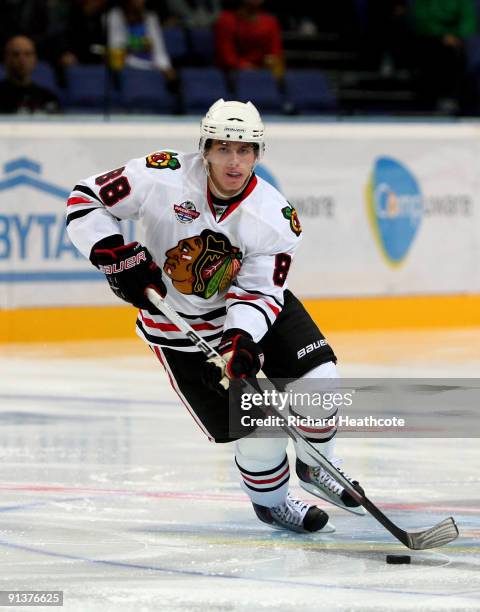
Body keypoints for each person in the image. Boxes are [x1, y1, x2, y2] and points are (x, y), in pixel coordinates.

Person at [66, 99, 364, 533]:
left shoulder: (275, 217)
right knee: (258, 433)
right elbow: (85, 198)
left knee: (321, 383)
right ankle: (274, 503)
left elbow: (260, 290)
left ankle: (320, 465)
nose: (234, 161)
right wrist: (112, 254)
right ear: (204, 148)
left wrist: (241, 339)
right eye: (224, 149)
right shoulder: (159, 174)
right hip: (178, 327)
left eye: (245, 151)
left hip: (254, 310)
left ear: (257, 155)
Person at [106, 0, 177, 84]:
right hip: (128, 69)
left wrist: (166, 67)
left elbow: (159, 49)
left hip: (152, 69)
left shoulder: (151, 17)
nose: (140, 1)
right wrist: (140, 45)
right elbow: (116, 47)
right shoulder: (115, 15)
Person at [214, 0, 284, 80]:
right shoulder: (226, 21)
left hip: (263, 76)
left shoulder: (271, 23)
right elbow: (227, 57)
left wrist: (272, 66)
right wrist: (244, 67)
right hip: (231, 76)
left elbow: (276, 54)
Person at [0, 35, 60, 114]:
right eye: (16, 54)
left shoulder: (48, 97)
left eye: (28, 54)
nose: (22, 59)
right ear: (6, 59)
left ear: (35, 59)